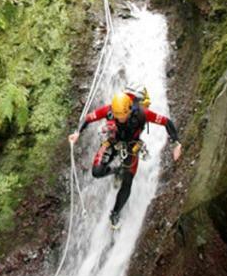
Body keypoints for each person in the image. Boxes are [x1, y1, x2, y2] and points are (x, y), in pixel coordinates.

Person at [67, 91, 182, 228]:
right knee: (97, 172)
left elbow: (166, 122)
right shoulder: (109, 110)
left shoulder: (142, 113)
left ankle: (115, 213)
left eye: (123, 116)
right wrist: (77, 133)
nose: (120, 119)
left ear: (129, 109)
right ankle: (116, 171)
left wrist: (176, 144)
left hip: (131, 146)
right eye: (117, 116)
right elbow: (88, 118)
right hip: (113, 142)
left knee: (127, 182)